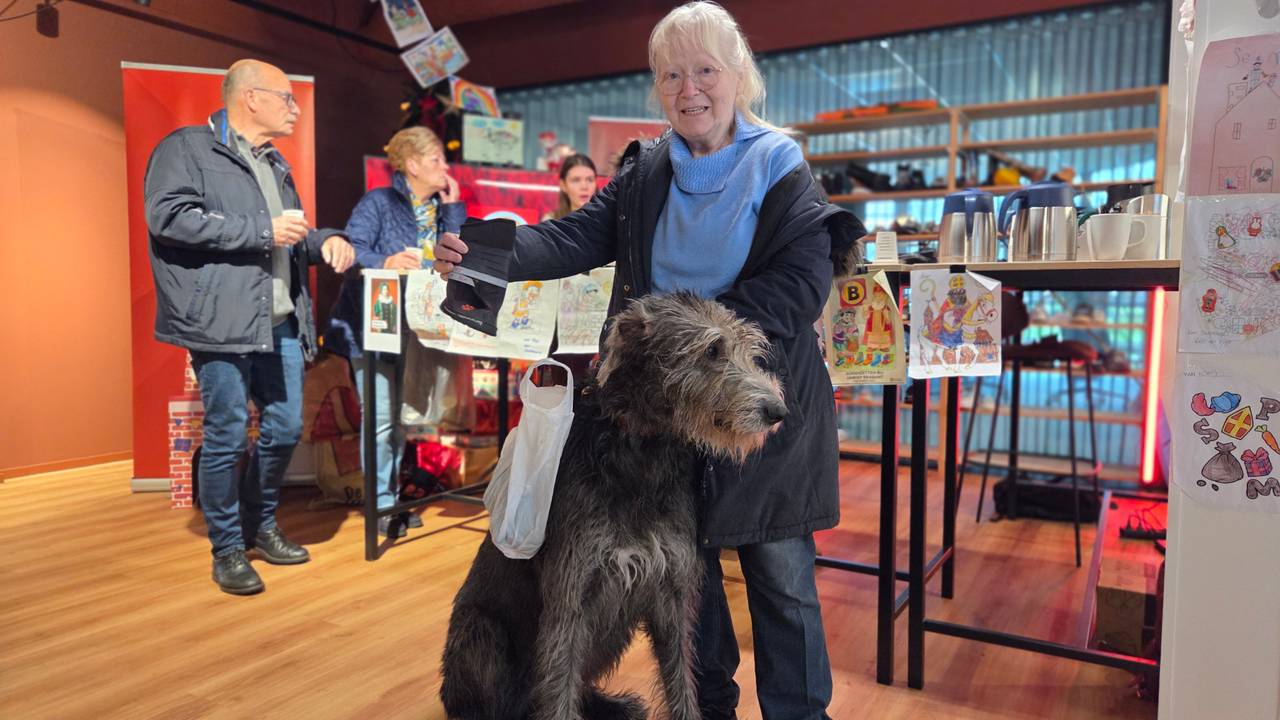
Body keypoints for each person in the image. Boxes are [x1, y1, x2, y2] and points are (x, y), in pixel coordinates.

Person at [433, 3, 864, 718]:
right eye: (671, 76)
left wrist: (689, 330)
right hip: (668, 415)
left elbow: (798, 285)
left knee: (781, 580)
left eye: (705, 71)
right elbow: (574, 237)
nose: (689, 89)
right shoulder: (647, 168)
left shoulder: (781, 166)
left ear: (739, 78)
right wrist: (491, 253)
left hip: (758, 404)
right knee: (693, 591)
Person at [144, 59, 355, 596]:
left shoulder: (274, 163)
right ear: (252, 98)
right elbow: (168, 217)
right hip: (219, 321)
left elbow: (293, 234)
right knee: (226, 434)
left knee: (285, 429)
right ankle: (228, 548)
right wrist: (262, 228)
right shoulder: (186, 148)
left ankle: (260, 524)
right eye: (287, 98)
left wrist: (325, 237)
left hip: (280, 321)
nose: (295, 108)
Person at [324, 126, 470, 539]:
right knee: (382, 417)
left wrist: (455, 209)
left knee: (402, 419)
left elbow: (458, 255)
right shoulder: (379, 202)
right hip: (371, 326)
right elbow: (352, 251)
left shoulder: (442, 207)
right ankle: (383, 505)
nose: (445, 166)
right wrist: (386, 261)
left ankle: (392, 497)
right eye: (437, 159)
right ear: (411, 164)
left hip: (417, 328)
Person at [543, 153, 599, 221]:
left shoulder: (608, 222)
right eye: (576, 180)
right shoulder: (550, 221)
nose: (584, 187)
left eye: (590, 180)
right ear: (563, 185)